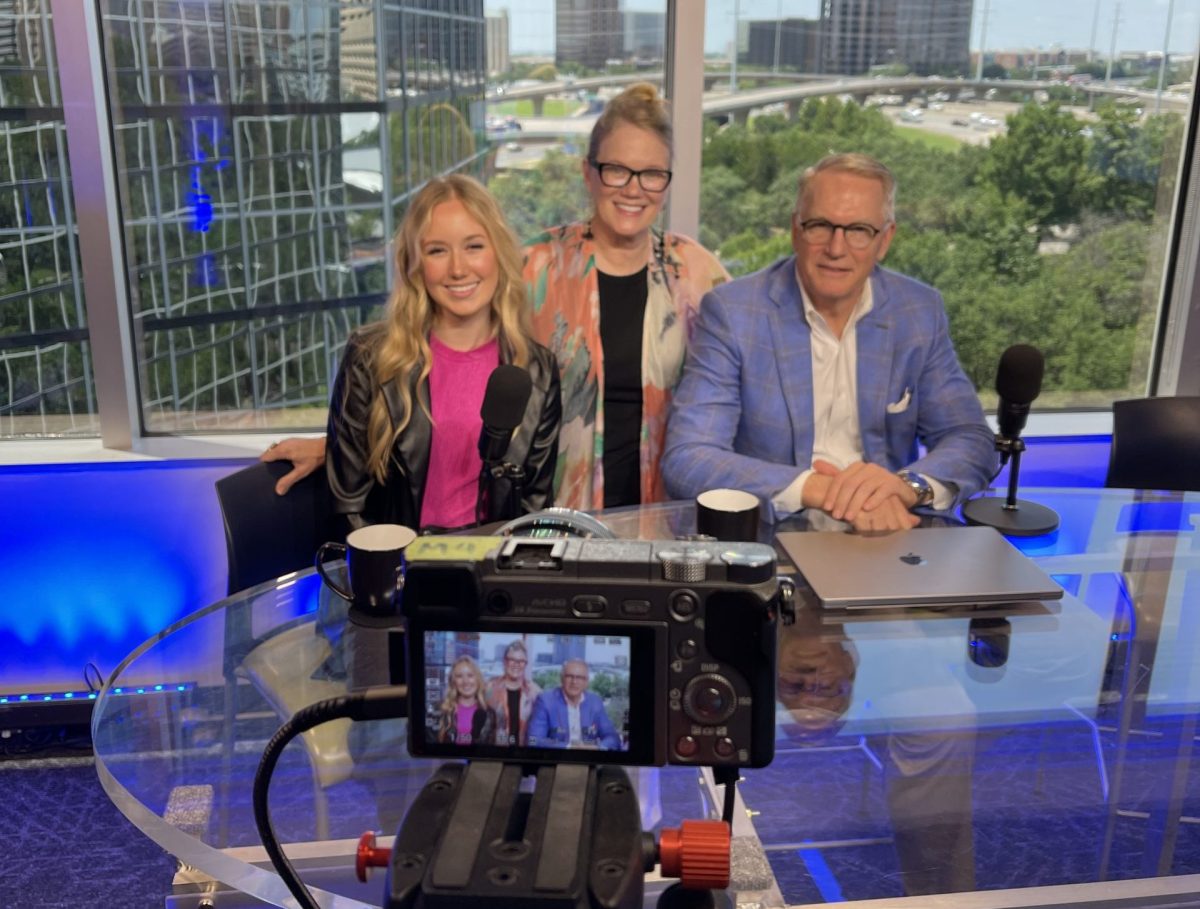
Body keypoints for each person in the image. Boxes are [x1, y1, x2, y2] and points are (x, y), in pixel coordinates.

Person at [264, 83, 728, 509]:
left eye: (651, 174)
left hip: (663, 514)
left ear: (666, 183)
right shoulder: (533, 267)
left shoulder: (698, 276)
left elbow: (728, 395)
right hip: (547, 516)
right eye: (616, 170)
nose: (633, 188)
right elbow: (437, 359)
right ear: (588, 173)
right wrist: (346, 443)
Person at [662, 153, 996, 532]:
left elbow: (970, 438)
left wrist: (906, 487)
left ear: (884, 240)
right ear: (795, 230)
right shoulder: (734, 312)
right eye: (821, 226)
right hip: (773, 538)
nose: (837, 249)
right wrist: (820, 489)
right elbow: (688, 458)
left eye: (858, 231)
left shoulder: (918, 312)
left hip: (889, 531)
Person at [324, 174, 561, 530]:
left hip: (492, 575)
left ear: (499, 253)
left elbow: (534, 510)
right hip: (400, 573)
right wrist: (395, 578)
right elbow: (348, 506)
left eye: (474, 246)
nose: (458, 268)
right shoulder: (370, 357)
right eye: (437, 250)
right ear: (415, 263)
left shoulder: (538, 370)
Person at [526, 659, 621, 750]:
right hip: (557, 759)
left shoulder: (595, 702)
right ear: (562, 679)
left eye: (579, 677)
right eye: (569, 676)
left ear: (586, 682)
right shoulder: (545, 700)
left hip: (590, 759)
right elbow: (534, 740)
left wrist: (598, 748)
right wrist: (570, 747)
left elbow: (612, 737)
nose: (574, 682)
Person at [484, 640, 541, 746]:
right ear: (505, 661)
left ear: (526, 664)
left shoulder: (535, 692)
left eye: (521, 661)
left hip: (524, 753)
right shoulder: (489, 688)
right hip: (495, 752)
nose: (516, 665)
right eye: (512, 660)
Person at [435, 656, 496, 745]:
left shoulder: (489, 713)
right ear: (453, 681)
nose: (465, 681)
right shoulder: (441, 710)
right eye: (459, 676)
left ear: (477, 679)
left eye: (470, 675)